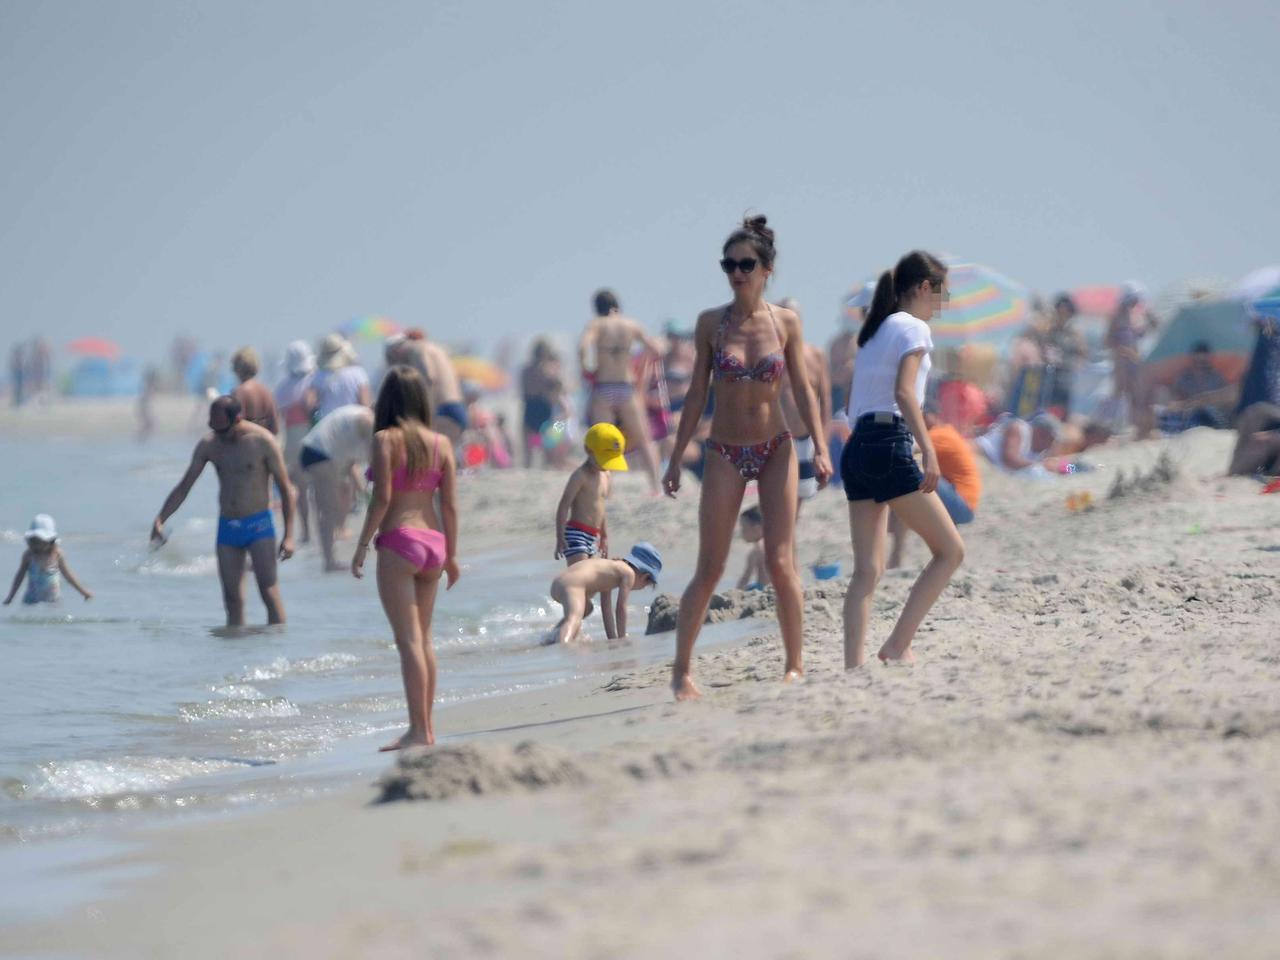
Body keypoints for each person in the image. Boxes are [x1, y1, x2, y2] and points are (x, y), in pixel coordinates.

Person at [663, 215, 832, 699]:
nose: (737, 272)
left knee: (781, 562)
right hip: (724, 450)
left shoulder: (787, 323)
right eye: (729, 264)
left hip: (778, 447)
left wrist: (819, 448)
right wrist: (676, 458)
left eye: (746, 264)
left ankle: (795, 664)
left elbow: (803, 388)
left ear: (767, 269)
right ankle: (681, 671)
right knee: (711, 566)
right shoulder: (711, 325)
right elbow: (697, 395)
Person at [840, 250, 964, 669]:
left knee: (866, 572)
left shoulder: (874, 332)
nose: (941, 306)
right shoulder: (914, 327)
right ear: (924, 288)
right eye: (941, 295)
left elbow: (854, 401)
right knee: (950, 551)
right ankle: (897, 645)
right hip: (889, 440)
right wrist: (926, 447)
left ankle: (853, 666)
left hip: (857, 446)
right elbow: (904, 393)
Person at [351, 366, 459, 751]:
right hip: (434, 543)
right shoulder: (441, 443)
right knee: (425, 642)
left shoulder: (385, 439)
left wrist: (362, 545)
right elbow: (449, 505)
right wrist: (453, 556)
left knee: (409, 643)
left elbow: (381, 499)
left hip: (400, 541)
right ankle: (426, 729)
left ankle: (418, 731)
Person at [150, 396, 295, 626]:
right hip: (228, 527)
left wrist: (288, 536)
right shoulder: (210, 445)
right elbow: (185, 485)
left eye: (222, 429)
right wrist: (160, 518)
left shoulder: (262, 442)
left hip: (259, 525)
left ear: (237, 420)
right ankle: (235, 654)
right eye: (213, 428)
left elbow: (287, 490)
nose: (218, 434)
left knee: (268, 591)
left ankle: (277, 648)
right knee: (232, 599)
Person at [579, 289, 665, 493]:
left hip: (604, 386)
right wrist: (641, 366)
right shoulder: (631, 325)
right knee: (645, 440)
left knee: (603, 442)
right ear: (617, 305)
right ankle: (655, 486)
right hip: (626, 387)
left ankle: (606, 487)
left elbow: (582, 347)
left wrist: (586, 368)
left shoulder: (597, 325)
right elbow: (657, 349)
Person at [887, 405, 981, 568]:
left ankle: (896, 553)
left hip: (962, 504)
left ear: (929, 416)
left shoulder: (940, 434)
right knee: (908, 481)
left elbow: (908, 449)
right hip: (962, 500)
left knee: (907, 480)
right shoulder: (947, 432)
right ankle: (896, 536)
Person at [300, 404, 375, 572]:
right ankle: (329, 561)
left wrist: (363, 490)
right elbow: (375, 458)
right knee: (328, 510)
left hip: (312, 451)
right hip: (321, 454)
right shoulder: (368, 419)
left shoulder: (357, 419)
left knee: (326, 510)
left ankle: (329, 559)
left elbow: (350, 464)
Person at [778, 297, 832, 513]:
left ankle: (785, 543)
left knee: (801, 495)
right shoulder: (770, 357)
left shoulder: (815, 355)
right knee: (780, 496)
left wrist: (823, 446)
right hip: (779, 439)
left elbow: (825, 402)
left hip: (807, 440)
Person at [547, 543, 661, 644]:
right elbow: (621, 608)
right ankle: (564, 645)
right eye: (646, 585)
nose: (642, 588)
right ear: (645, 576)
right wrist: (622, 638)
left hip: (558, 583)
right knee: (574, 619)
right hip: (573, 584)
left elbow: (606, 610)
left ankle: (551, 637)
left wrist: (613, 639)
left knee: (587, 609)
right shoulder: (629, 573)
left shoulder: (611, 570)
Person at [555, 422, 625, 563]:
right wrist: (560, 537)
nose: (606, 465)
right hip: (576, 533)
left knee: (592, 580)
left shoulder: (606, 475)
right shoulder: (580, 476)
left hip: (594, 536)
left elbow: (601, 507)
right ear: (588, 450)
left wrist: (604, 536)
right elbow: (564, 506)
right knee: (580, 576)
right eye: (604, 459)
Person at [275, 341, 317, 543]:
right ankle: (328, 528)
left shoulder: (282, 386)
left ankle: (306, 531)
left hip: (291, 437)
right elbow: (311, 407)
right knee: (319, 485)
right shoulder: (313, 380)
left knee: (299, 488)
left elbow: (279, 417)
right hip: (313, 435)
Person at [4, 514, 93, 605]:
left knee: (52, 618)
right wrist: (10, 597)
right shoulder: (29, 555)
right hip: (31, 599)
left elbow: (68, 576)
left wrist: (83, 592)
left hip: (52, 600)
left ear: (51, 541)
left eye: (40, 541)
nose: (37, 545)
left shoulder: (57, 554)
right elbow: (19, 576)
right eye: (34, 541)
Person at [1105, 282, 1158, 434]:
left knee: (1139, 395)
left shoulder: (1142, 315)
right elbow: (1108, 341)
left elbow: (1156, 327)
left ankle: (1138, 427)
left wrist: (1149, 314)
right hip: (1122, 362)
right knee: (1120, 393)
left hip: (1139, 361)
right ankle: (1116, 428)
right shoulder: (1116, 318)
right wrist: (1121, 348)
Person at [404, 329, 468, 446]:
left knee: (430, 452)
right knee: (447, 456)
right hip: (458, 407)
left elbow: (428, 376)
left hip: (443, 410)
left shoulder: (417, 348)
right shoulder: (439, 350)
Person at [1161, 342, 1236, 431]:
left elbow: (1222, 401)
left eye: (1204, 362)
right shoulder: (1184, 378)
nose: (1201, 364)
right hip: (1189, 417)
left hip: (1212, 419)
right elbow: (1176, 398)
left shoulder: (1216, 378)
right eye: (1198, 361)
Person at [520, 339, 562, 467]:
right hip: (542, 405)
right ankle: (544, 465)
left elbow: (524, 389)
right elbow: (558, 385)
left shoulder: (526, 370)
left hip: (531, 404)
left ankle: (530, 466)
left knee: (530, 443)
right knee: (545, 441)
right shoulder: (547, 369)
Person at [975, 411, 1061, 473]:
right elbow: (1010, 460)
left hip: (994, 471)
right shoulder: (1019, 429)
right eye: (1050, 439)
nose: (1051, 444)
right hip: (981, 458)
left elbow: (1065, 466)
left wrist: (1068, 468)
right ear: (1040, 433)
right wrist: (1042, 465)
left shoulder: (1042, 450)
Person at [311, 334, 372, 419]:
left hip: (327, 422)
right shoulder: (358, 373)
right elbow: (365, 403)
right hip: (353, 420)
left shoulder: (318, 375)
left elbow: (310, 403)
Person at [230, 347, 279, 434]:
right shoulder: (266, 392)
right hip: (263, 444)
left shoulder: (239, 392)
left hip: (245, 445)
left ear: (237, 368)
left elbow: (236, 426)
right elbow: (274, 428)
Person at [734, 505, 768, 590]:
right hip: (778, 587)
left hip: (763, 588)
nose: (741, 532)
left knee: (750, 587)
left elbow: (746, 577)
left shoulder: (756, 550)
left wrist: (736, 592)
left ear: (756, 528)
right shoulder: (774, 543)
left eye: (744, 528)